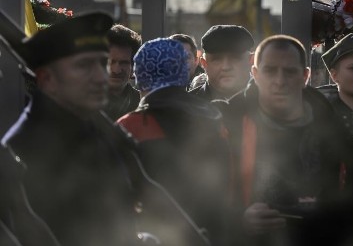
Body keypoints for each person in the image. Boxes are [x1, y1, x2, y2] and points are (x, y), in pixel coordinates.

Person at [1, 12, 207, 246]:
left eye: (102, 63)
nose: (101, 76)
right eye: (84, 66)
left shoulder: (101, 132)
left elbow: (143, 197)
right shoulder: (25, 149)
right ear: (47, 79)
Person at [216, 34, 353, 245]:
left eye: (289, 71)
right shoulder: (228, 128)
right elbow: (201, 197)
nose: (280, 81)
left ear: (305, 76)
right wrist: (241, 218)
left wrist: (332, 219)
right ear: (255, 74)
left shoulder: (334, 129)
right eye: (270, 71)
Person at [117, 37, 233, 245]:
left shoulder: (132, 126)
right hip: (212, 232)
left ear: (141, 74)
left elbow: (114, 197)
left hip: (155, 235)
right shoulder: (213, 117)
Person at [190, 25, 254, 101]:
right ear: (204, 64)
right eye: (217, 59)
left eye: (235, 58)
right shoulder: (184, 107)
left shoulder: (268, 103)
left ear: (251, 60)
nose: (226, 67)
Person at [104, 23, 141, 119]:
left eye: (124, 63)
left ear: (133, 66)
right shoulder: (81, 102)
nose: (116, 70)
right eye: (111, 62)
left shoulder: (142, 104)